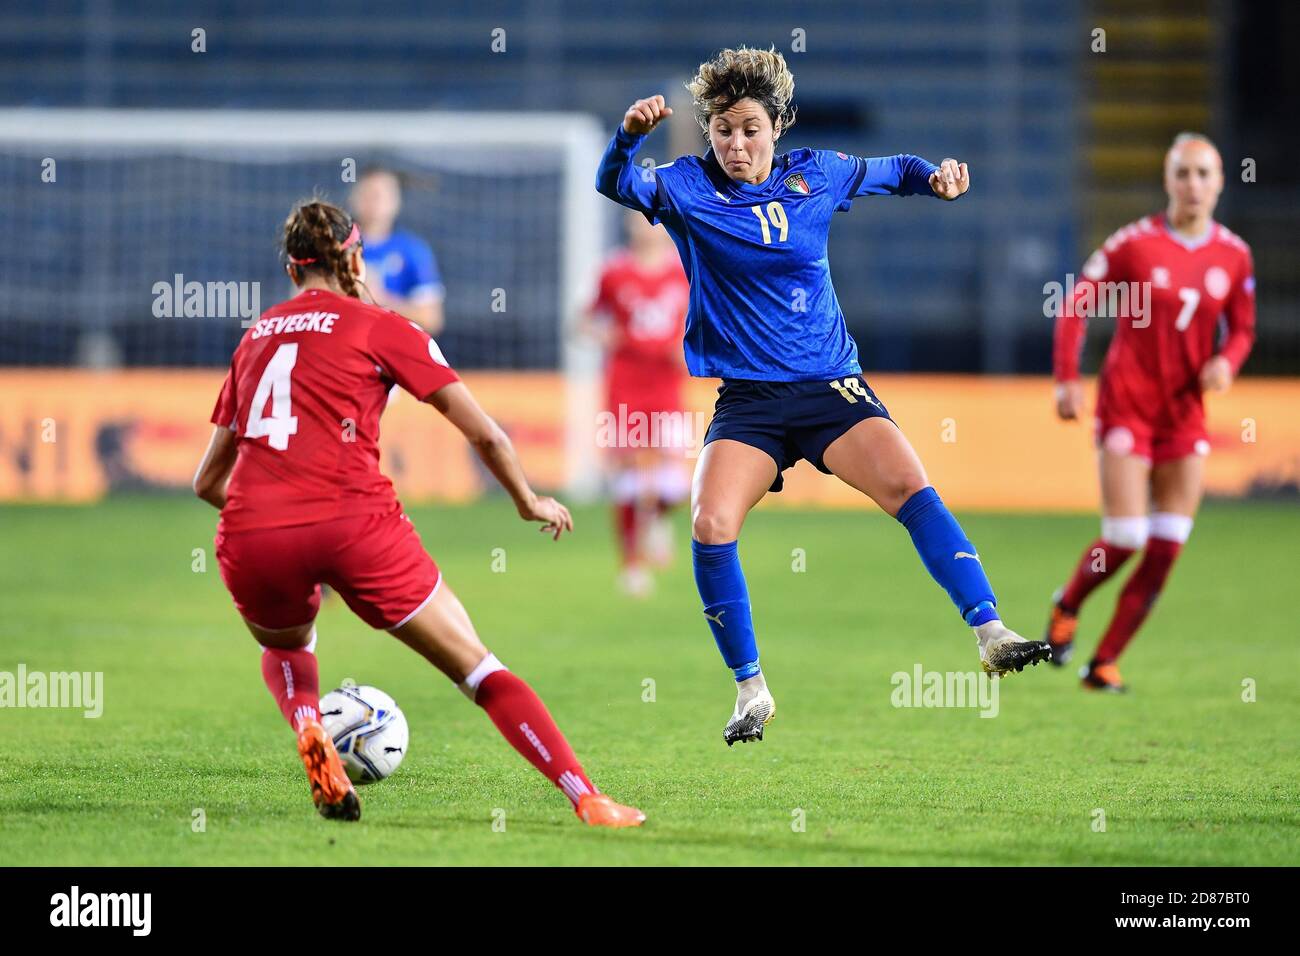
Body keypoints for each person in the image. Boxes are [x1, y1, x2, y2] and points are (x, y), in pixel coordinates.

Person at [595, 46, 1050, 746]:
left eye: (749, 128)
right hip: (750, 402)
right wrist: (629, 134)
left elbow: (895, 170)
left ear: (778, 126)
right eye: (722, 129)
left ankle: (990, 631)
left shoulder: (820, 173)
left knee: (908, 484)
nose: (736, 143)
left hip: (831, 389)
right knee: (710, 524)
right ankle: (750, 690)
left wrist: (937, 178)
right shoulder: (685, 186)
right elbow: (613, 183)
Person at [192, 198, 644, 827]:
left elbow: (208, 479)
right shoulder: (383, 325)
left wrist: (277, 521)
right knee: (477, 667)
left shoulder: (256, 337)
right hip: (354, 525)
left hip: (252, 531)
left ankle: (307, 723)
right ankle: (586, 797)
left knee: (290, 647)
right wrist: (527, 500)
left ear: (293, 271)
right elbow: (483, 432)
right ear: (354, 256)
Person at [1047, 133, 1256, 692]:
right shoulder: (1134, 245)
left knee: (1165, 549)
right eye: (1183, 173)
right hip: (1127, 409)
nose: (1193, 184)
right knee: (1125, 537)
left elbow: (1243, 327)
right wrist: (1068, 378)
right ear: (1168, 181)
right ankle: (1069, 602)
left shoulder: (1234, 256)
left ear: (1219, 184)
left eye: (1203, 174)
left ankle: (1105, 662)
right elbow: (1075, 305)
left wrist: (1227, 363)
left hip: (1184, 419)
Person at [582, 211, 690, 597]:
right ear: (628, 223)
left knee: (676, 486)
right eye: (637, 218)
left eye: (652, 218)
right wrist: (604, 333)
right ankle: (631, 566)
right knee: (627, 480)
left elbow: (701, 322)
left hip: (666, 386)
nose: (645, 225)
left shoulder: (684, 270)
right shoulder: (613, 271)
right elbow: (584, 322)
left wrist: (689, 349)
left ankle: (656, 520)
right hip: (625, 386)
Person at [350, 167, 445, 334]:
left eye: (379, 195)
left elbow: (432, 319)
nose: (373, 202)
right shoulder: (334, 247)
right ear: (354, 198)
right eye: (367, 194)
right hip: (346, 349)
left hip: (391, 350)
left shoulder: (413, 250)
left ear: (395, 201)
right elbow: (304, 300)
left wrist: (379, 299)